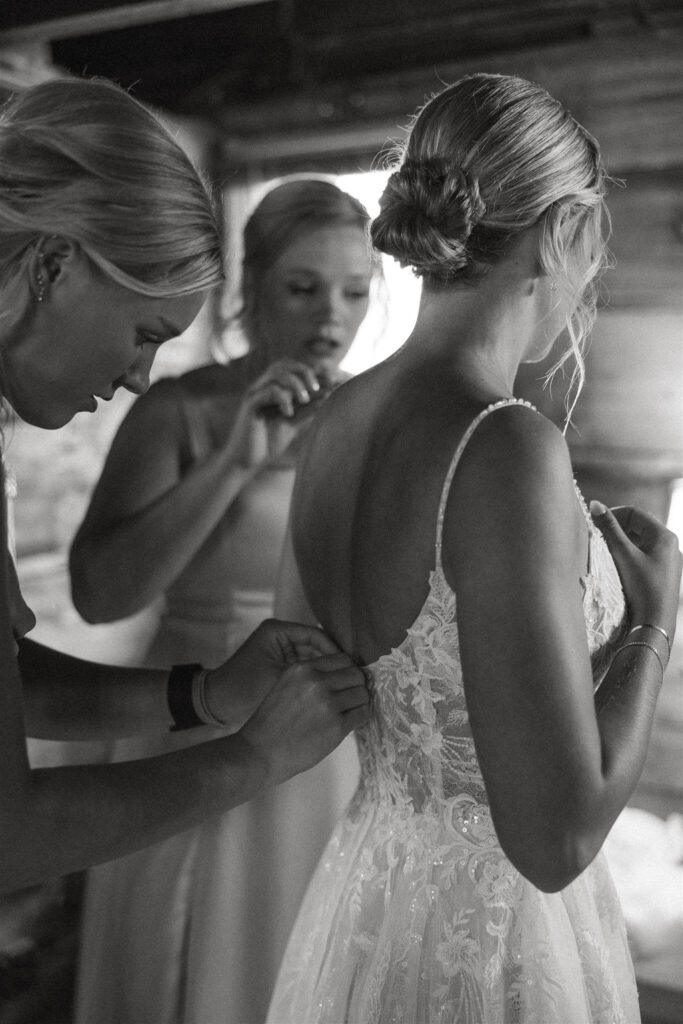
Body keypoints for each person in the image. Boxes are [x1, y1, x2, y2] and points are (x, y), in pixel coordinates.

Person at [266, 73, 682, 1023]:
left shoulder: (335, 420)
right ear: (561, 233)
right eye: (592, 242)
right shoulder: (502, 443)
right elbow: (556, 837)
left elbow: (293, 675)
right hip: (494, 942)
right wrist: (653, 622)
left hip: (364, 904)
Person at [0, 78, 368, 904]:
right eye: (143, 334)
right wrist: (252, 754)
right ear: (54, 263)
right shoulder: (183, 411)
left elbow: (10, 678)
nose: (137, 376)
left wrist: (199, 694)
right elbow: (10, 834)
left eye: (355, 289)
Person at [69, 179, 377, 1023]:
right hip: (187, 709)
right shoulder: (180, 409)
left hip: (324, 724)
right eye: (303, 288)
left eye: (355, 291)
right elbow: (100, 596)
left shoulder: (378, 415)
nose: (332, 316)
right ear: (253, 290)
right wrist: (236, 458)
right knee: (178, 956)